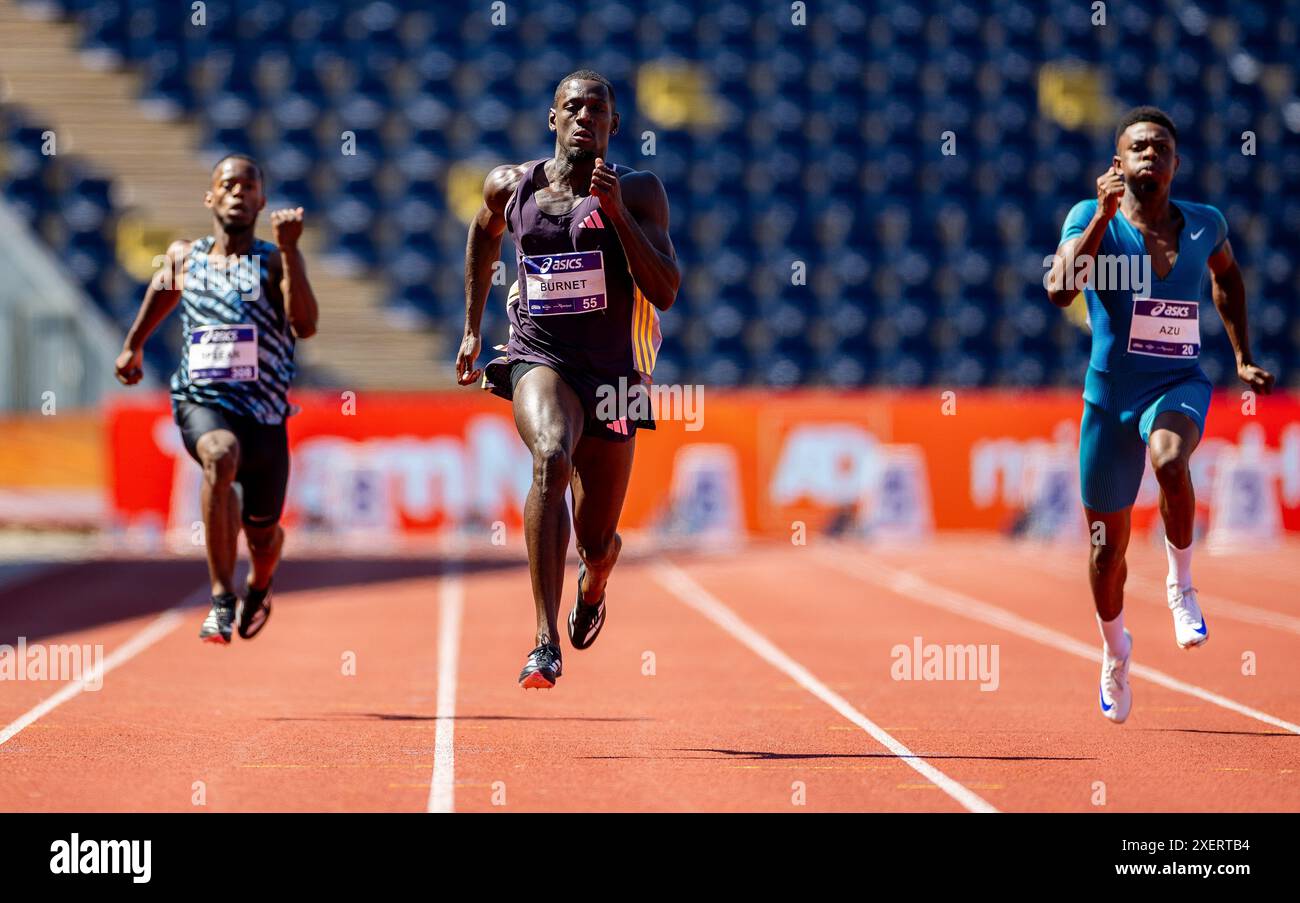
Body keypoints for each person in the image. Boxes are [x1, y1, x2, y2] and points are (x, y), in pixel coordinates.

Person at [1046, 107, 1274, 723]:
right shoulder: (1087, 219)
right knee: (1104, 553)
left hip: (1177, 384)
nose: (1150, 155)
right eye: (1138, 147)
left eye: (1160, 148)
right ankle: (1116, 652)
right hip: (1109, 401)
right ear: (1117, 164)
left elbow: (1227, 278)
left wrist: (1243, 355)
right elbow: (1061, 289)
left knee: (1171, 460)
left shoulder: (1205, 224)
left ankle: (1182, 585)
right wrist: (1099, 215)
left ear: (1175, 164)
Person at [456, 70, 679, 688]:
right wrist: (473, 328)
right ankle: (543, 639)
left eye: (597, 109)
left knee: (599, 540)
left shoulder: (639, 193)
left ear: (614, 126)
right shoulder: (513, 185)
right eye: (572, 107)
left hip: (614, 376)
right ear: (553, 119)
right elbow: (482, 232)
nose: (584, 116)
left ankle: (597, 581)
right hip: (540, 358)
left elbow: (665, 290)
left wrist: (615, 216)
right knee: (550, 457)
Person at [115, 154, 319, 644]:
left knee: (264, 534)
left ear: (262, 200)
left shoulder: (273, 259)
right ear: (210, 197)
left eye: (249, 186)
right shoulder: (186, 257)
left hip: (265, 412)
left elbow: (305, 325)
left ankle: (260, 581)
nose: (238, 193)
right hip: (200, 399)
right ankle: (221, 598)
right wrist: (134, 344)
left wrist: (291, 251)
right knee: (218, 456)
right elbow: (160, 292)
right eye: (228, 185)